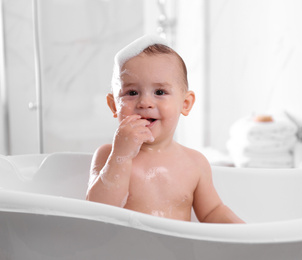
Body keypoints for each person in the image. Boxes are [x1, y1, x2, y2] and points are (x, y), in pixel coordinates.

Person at [86, 35, 244, 223]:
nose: (145, 102)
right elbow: (95, 212)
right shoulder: (108, 155)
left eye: (159, 92)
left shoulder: (195, 163)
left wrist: (243, 233)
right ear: (114, 106)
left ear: (185, 104)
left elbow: (212, 212)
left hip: (177, 252)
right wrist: (121, 156)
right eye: (132, 93)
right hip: (125, 252)